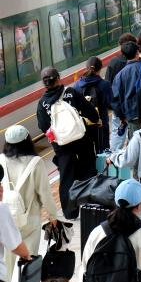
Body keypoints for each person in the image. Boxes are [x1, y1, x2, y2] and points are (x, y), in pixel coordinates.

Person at [36, 66, 100, 219]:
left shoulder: (42, 103)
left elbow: (44, 126)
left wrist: (57, 139)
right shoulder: (70, 92)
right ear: (58, 78)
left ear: (44, 83)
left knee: (66, 177)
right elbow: (89, 110)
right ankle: (92, 205)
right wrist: (95, 119)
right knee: (89, 168)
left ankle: (70, 212)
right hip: (81, 139)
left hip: (62, 145)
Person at [0, 124, 61, 279]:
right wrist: (53, 216)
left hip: (7, 218)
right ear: (27, 141)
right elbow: (45, 194)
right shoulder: (36, 162)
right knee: (29, 262)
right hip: (30, 221)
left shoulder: (1, 160)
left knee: (7, 263)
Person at [72, 56, 113, 151]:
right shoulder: (105, 84)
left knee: (88, 152)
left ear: (86, 67)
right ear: (100, 68)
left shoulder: (76, 86)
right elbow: (110, 103)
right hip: (101, 123)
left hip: (84, 125)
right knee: (103, 151)